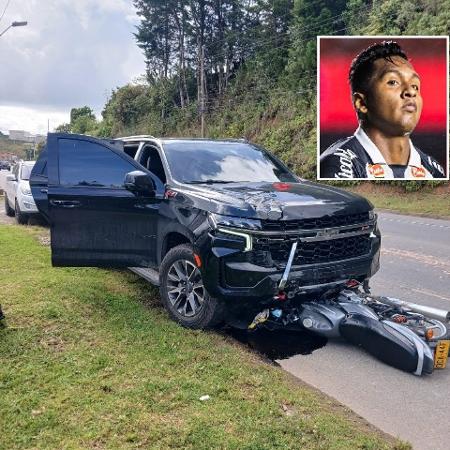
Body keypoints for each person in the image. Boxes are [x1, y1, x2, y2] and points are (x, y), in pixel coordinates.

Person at [320, 41, 446, 179]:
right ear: (361, 103)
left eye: (415, 86)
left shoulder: (433, 170)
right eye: (393, 82)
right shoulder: (338, 164)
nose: (410, 91)